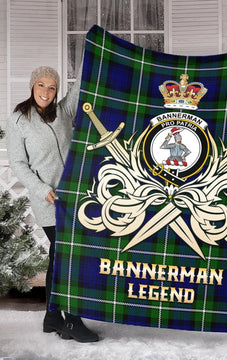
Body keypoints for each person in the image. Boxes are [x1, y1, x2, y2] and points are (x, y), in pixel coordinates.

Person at [6, 65, 99, 343]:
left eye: (52, 87)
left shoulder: (64, 112)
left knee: (60, 257)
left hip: (73, 196)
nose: (46, 92)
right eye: (41, 85)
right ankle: (71, 320)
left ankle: (50, 317)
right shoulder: (18, 119)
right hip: (47, 200)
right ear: (33, 86)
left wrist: (91, 51)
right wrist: (41, 188)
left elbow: (81, 85)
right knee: (66, 257)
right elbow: (19, 164)